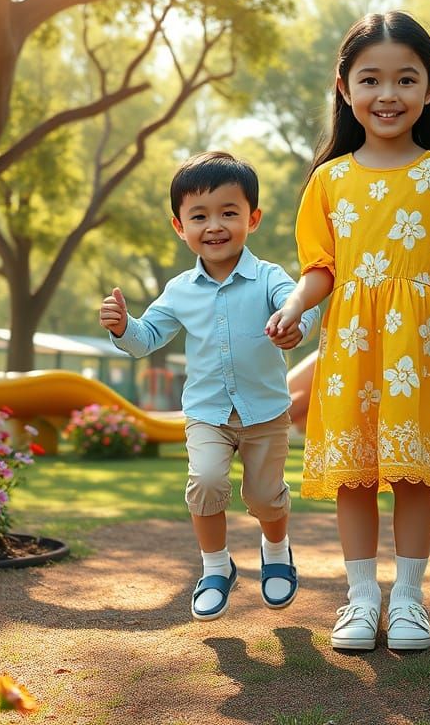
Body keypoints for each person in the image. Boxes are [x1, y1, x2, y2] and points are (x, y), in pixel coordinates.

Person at [266, 11, 430, 653]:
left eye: (405, 80)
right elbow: (320, 267)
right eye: (371, 80)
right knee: (355, 475)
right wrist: (295, 309)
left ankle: (410, 600)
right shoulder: (329, 180)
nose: (388, 95)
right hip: (352, 347)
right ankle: (362, 599)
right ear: (344, 87)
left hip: (420, 345)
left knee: (414, 474)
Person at [99, 151, 319, 623]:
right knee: (205, 483)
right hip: (207, 413)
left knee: (264, 496)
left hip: (265, 412)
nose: (214, 226)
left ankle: (276, 553)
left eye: (228, 213)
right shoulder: (179, 289)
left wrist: (294, 322)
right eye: (199, 216)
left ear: (252, 219)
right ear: (180, 227)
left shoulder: (268, 277)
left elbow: (300, 304)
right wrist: (122, 327)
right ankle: (216, 568)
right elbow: (146, 338)